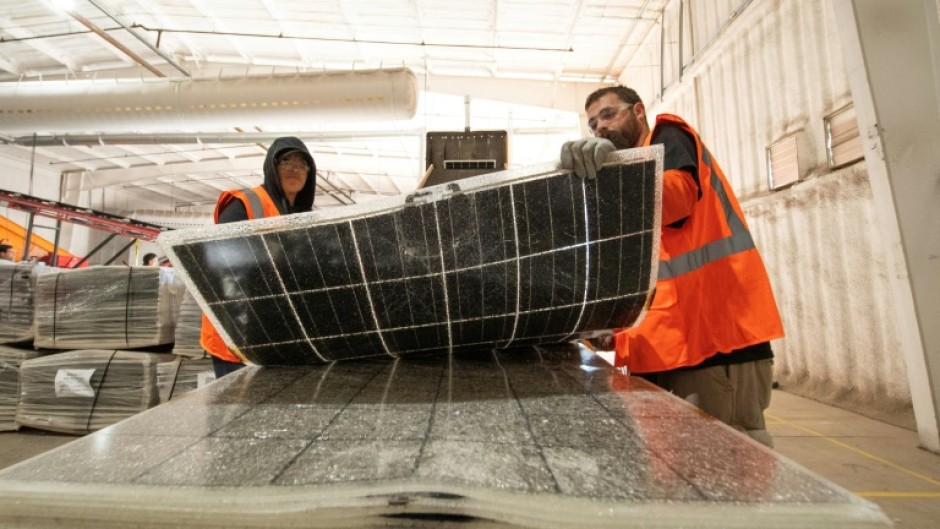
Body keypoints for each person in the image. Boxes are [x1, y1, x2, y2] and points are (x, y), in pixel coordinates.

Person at [560, 86, 784, 447]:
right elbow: (648, 275)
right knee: (678, 468)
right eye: (592, 124)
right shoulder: (625, 190)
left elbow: (677, 200)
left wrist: (615, 170)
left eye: (608, 114)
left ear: (638, 111)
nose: (599, 127)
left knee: (727, 459)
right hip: (664, 349)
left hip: (713, 344)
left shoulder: (668, 135)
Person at [200, 136, 316, 378]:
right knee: (234, 412)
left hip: (271, 333)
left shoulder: (302, 218)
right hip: (235, 332)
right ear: (271, 168)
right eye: (286, 161)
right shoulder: (247, 203)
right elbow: (222, 263)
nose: (295, 168)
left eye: (302, 163)